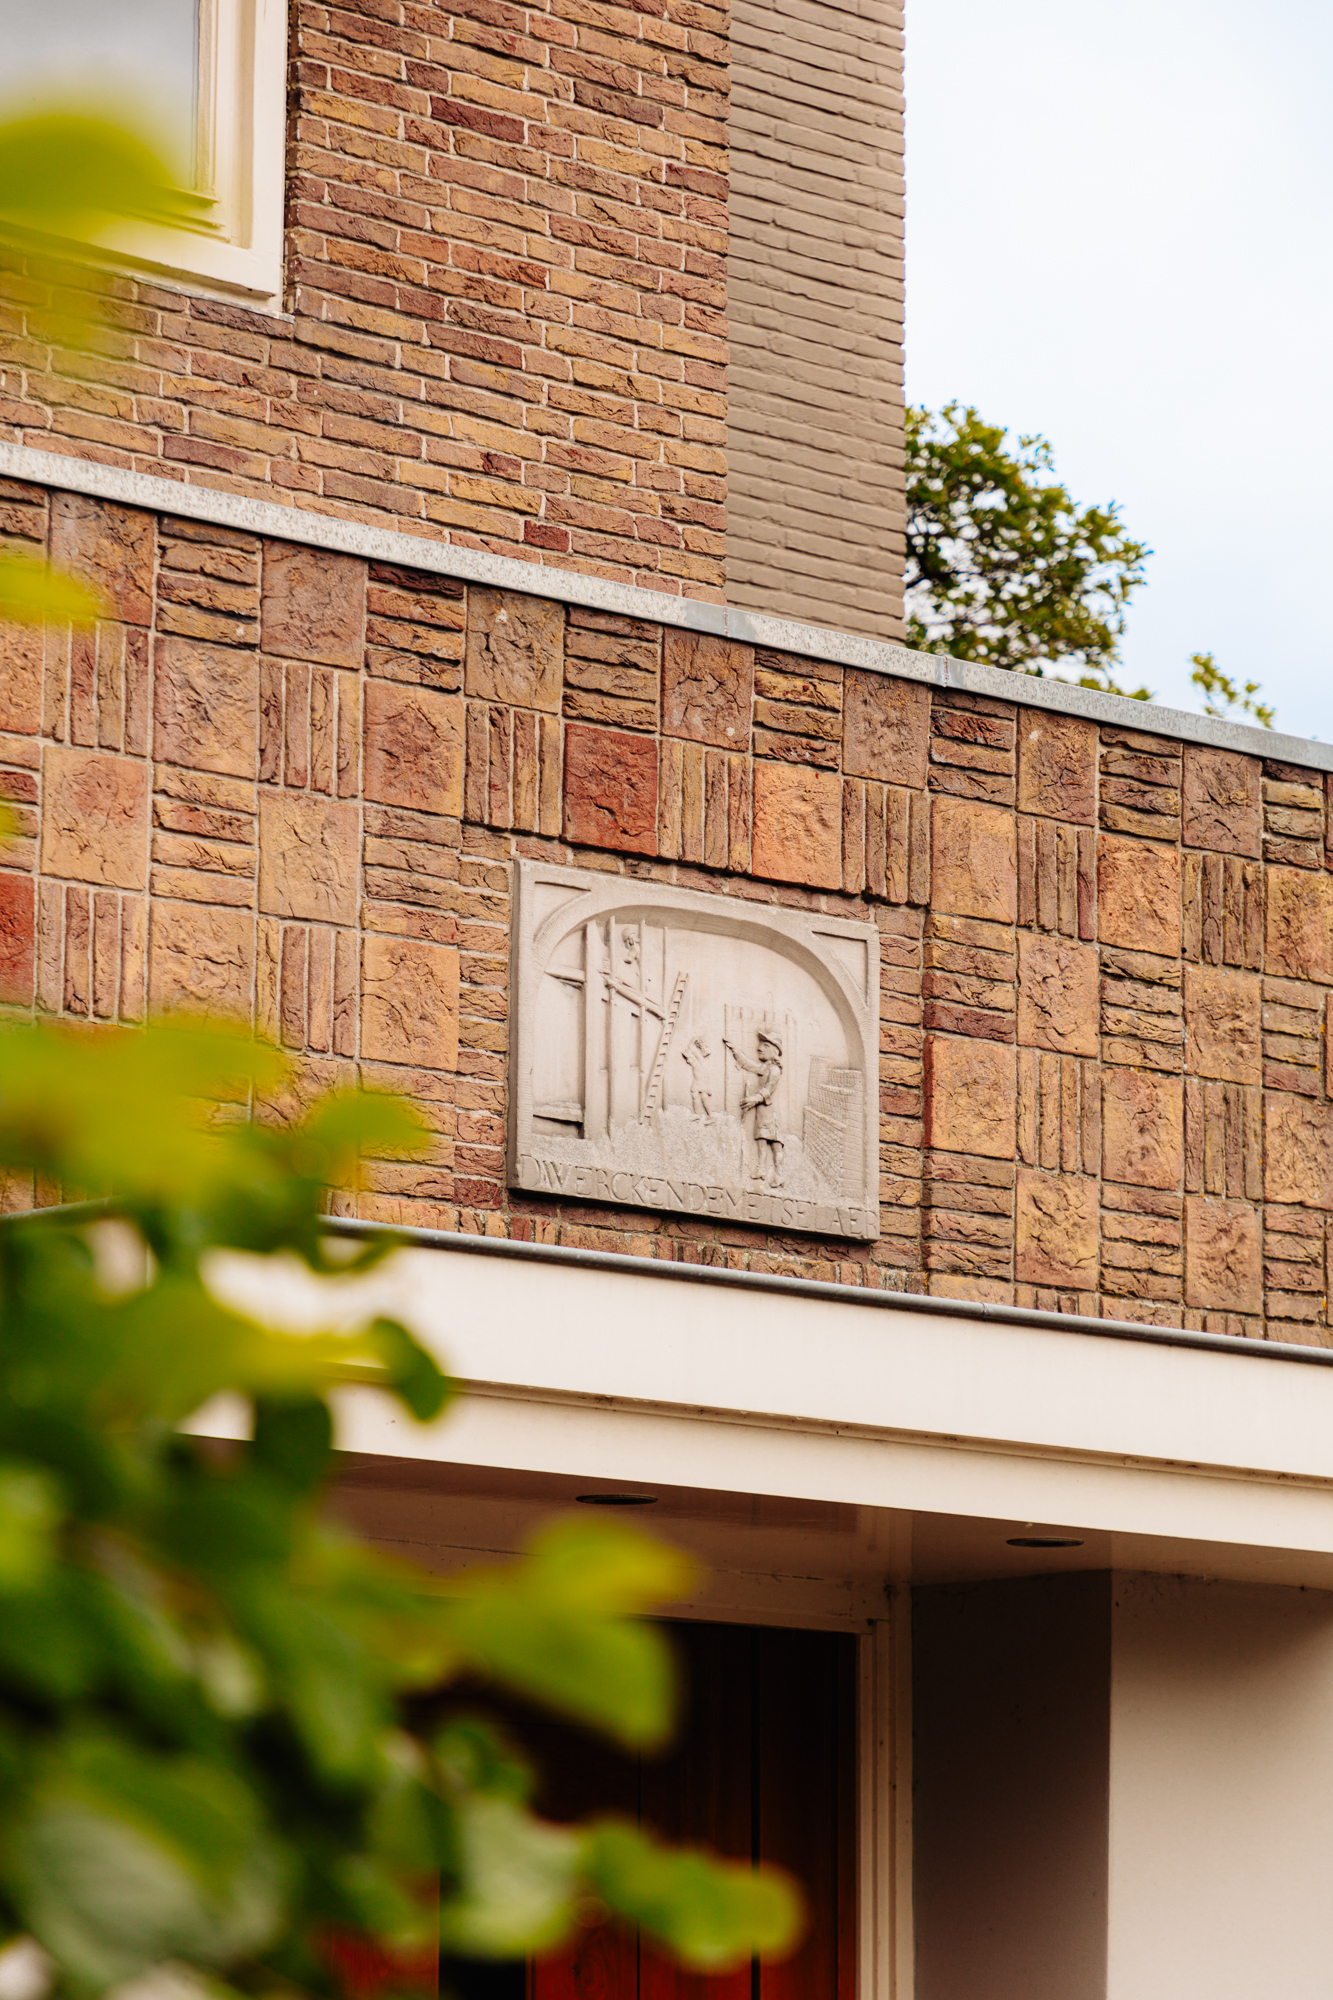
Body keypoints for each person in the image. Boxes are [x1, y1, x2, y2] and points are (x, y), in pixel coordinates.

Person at [724, 1029, 784, 1185]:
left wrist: (753, 1099)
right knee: (762, 1139)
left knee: (775, 1143)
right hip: (762, 1111)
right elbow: (748, 1065)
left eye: (764, 1045)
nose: (759, 1048)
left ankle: (779, 1174)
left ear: (775, 1051)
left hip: (768, 1111)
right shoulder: (765, 1068)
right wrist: (735, 1050)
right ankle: (762, 1170)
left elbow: (768, 1089)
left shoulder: (775, 1070)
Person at [681, 1034, 715, 1119]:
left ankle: (707, 1115)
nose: (687, 1061)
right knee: (698, 1096)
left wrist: (695, 1039)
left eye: (687, 1059)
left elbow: (690, 1047)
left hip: (701, 1079)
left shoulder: (698, 1060)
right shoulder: (697, 1059)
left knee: (701, 1096)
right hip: (699, 1079)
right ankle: (700, 1115)